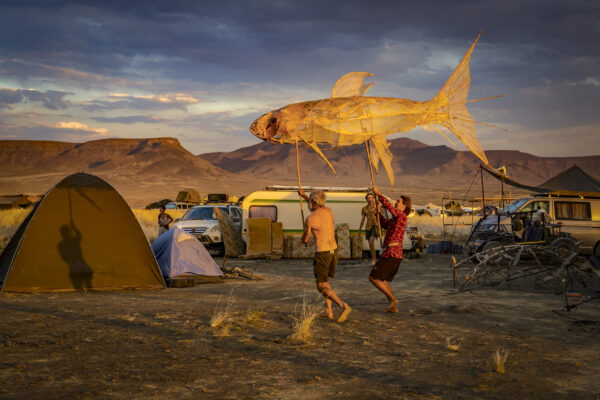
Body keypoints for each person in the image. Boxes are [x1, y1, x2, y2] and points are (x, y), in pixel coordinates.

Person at [299, 188, 352, 322]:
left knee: (321, 286)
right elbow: (315, 207)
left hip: (322, 253)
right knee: (326, 283)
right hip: (334, 251)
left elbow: (305, 239)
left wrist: (303, 236)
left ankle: (343, 305)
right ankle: (328, 311)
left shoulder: (310, 218)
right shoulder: (328, 211)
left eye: (310, 200)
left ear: (314, 201)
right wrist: (305, 196)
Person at [369, 186, 410, 313]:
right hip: (390, 253)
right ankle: (393, 305)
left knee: (374, 278)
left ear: (404, 207)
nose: (396, 203)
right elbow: (384, 223)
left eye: (399, 202)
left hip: (392, 253)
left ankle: (393, 300)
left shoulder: (401, 216)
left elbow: (390, 208)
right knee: (382, 279)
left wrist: (379, 194)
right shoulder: (395, 220)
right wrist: (378, 211)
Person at [359, 192, 381, 266]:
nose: (369, 199)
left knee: (371, 241)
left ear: (373, 198)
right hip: (368, 226)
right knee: (371, 244)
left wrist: (377, 207)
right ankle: (373, 260)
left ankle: (374, 260)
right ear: (366, 199)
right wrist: (360, 228)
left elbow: (380, 214)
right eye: (368, 197)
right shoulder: (364, 208)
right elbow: (363, 219)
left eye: (371, 197)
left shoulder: (377, 206)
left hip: (375, 225)